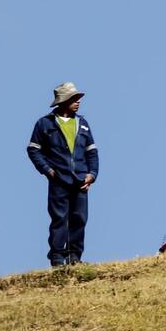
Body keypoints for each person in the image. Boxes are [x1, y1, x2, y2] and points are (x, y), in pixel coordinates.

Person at [27, 81, 99, 267]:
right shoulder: (45, 124)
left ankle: (74, 257)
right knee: (59, 219)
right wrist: (48, 170)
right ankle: (58, 259)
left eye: (78, 99)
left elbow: (92, 151)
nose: (78, 102)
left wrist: (92, 174)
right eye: (74, 99)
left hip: (81, 180)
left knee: (79, 219)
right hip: (59, 180)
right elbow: (33, 150)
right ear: (64, 101)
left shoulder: (82, 124)